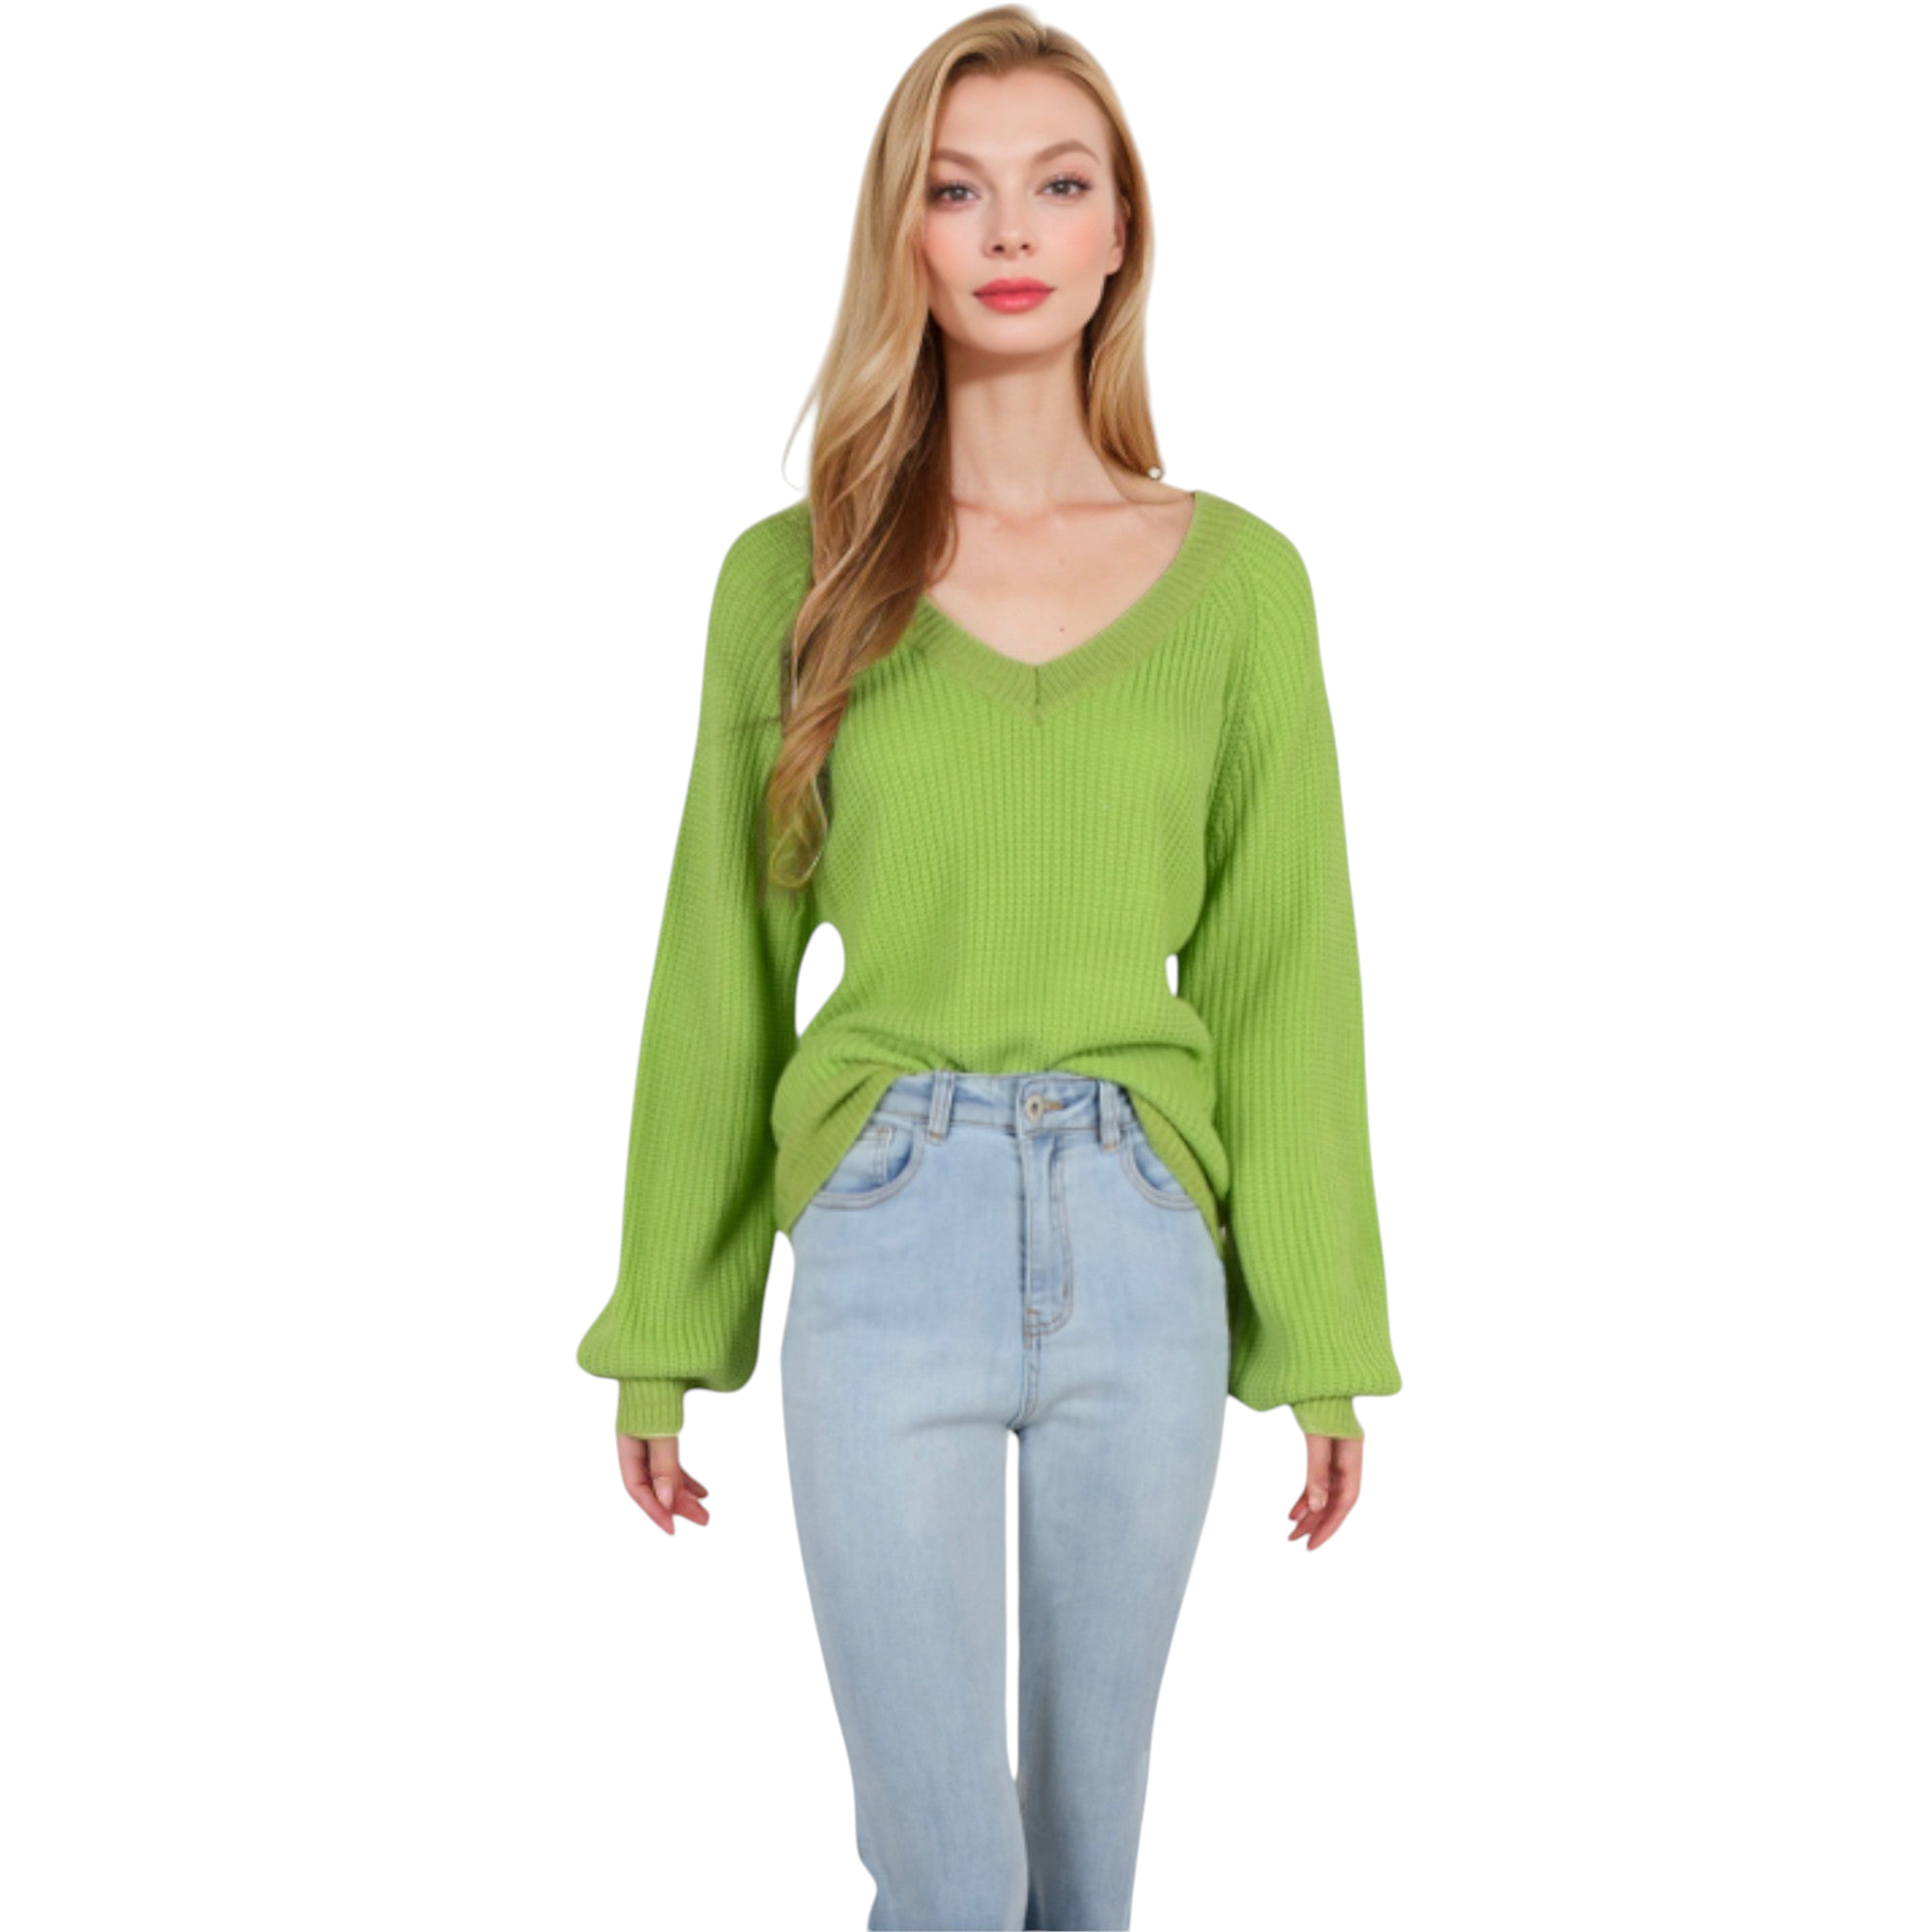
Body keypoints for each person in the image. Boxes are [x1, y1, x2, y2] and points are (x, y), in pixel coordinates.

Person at [576, 9, 1402, 1926]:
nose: (1010, 229)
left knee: (1087, 1876)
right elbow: (720, 956)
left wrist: (1318, 1343)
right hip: (886, 1228)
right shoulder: (792, 579)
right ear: (907, 236)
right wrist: (666, 1317)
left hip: (1142, 1232)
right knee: (949, 1873)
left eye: (1057, 183)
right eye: (958, 190)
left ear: (1121, 232)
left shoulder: (1242, 585)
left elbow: (1287, 969)